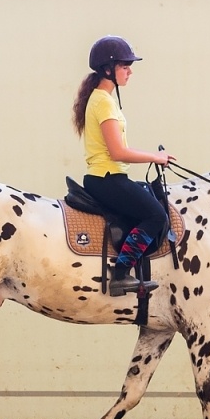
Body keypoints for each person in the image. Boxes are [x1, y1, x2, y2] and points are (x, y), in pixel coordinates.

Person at [73, 36, 172, 296]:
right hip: (107, 177)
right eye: (125, 66)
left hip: (108, 176)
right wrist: (155, 157)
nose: (130, 71)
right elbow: (118, 152)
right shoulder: (103, 101)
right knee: (156, 216)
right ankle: (120, 274)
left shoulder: (102, 98)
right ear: (108, 69)